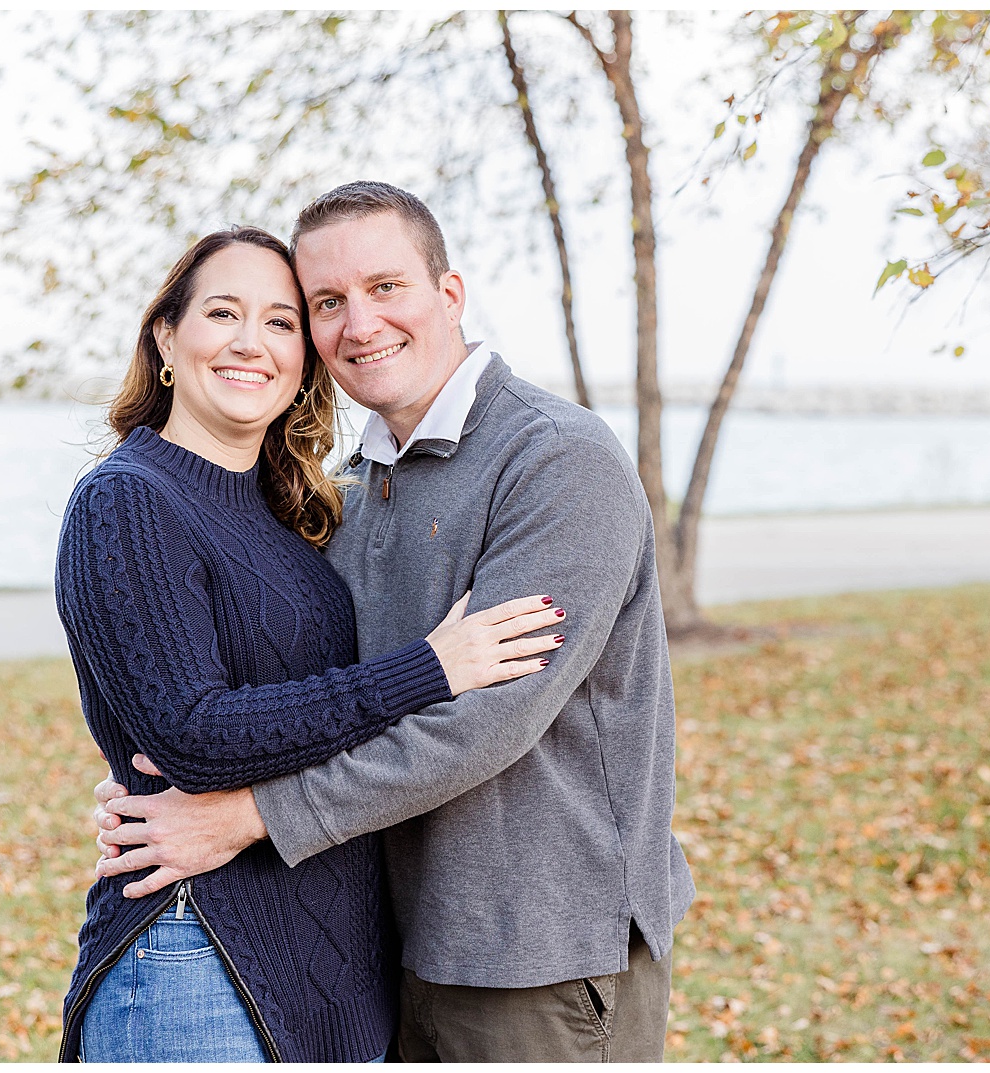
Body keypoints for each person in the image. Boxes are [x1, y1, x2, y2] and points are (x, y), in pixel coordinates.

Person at [93, 182, 697, 1061]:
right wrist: (159, 778)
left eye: (386, 288)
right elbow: (297, 691)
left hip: (539, 953)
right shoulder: (347, 488)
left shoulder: (555, 460)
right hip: (388, 950)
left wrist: (248, 814)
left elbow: (483, 723)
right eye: (327, 303)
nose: (359, 323)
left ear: (449, 295)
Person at [55, 225, 564, 1062]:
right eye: (223, 313)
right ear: (166, 338)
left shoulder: (288, 513)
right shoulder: (127, 500)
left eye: (283, 321)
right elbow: (194, 736)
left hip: (327, 972)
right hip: (200, 961)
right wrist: (429, 668)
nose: (252, 342)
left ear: (303, 361)